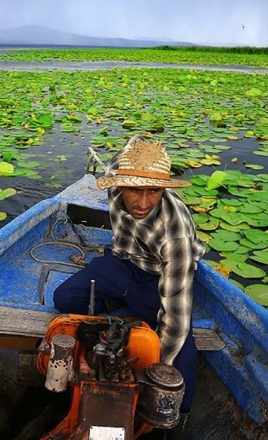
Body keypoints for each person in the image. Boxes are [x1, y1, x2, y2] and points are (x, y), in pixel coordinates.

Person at [53, 134, 205, 437]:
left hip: (159, 277)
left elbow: (175, 322)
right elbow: (124, 152)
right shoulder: (114, 175)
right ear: (120, 183)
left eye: (154, 191)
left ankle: (177, 419)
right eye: (135, 189)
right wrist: (138, 143)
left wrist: (159, 373)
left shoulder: (175, 232)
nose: (144, 203)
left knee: (181, 352)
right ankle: (119, 301)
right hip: (124, 263)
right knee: (65, 298)